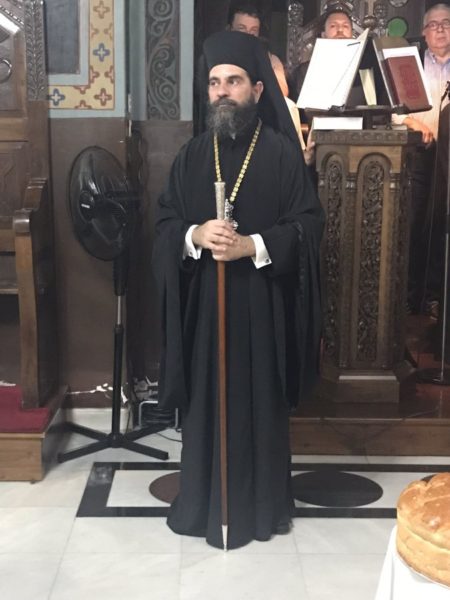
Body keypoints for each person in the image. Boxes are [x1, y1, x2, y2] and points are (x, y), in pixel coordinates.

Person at [152, 30, 324, 550]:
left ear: (257, 89)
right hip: (207, 308)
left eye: (233, 81)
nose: (222, 91)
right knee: (208, 404)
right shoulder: (191, 156)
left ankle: (263, 508)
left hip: (262, 306)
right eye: (214, 82)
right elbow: (164, 224)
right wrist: (194, 235)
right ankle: (203, 503)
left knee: (260, 404)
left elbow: (308, 225)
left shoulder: (281, 155)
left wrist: (254, 245)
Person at [393, 3, 450, 315]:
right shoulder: (409, 63)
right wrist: (411, 122)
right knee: (413, 224)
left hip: (448, 158)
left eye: (446, 23)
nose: (440, 29)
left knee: (441, 223)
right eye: (433, 24)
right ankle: (409, 295)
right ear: (424, 32)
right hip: (418, 154)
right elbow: (391, 109)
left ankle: (434, 295)